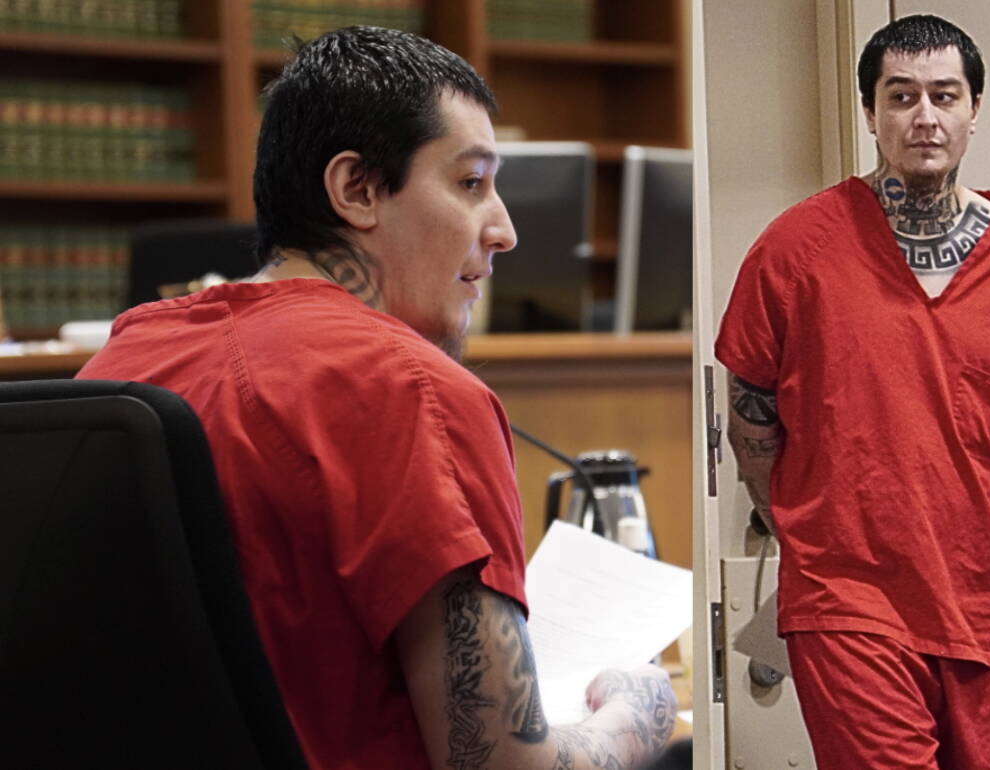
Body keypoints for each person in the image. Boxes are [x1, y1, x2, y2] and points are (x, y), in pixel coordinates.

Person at [78, 26, 675, 770]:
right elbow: (500, 765)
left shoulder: (118, 363)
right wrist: (639, 712)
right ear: (356, 189)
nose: (504, 231)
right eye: (470, 183)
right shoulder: (415, 390)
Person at [715, 14, 990, 770]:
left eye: (944, 95)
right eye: (901, 95)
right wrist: (803, 534)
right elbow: (749, 409)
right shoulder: (796, 250)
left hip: (980, 607)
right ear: (870, 112)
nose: (924, 117)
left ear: (974, 109)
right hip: (847, 598)